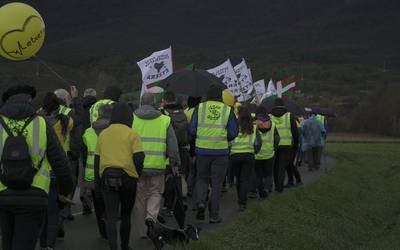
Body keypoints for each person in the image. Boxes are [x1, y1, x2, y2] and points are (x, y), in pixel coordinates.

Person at [0, 85, 73, 250]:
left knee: (7, 242)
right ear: (30, 101)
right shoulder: (41, 123)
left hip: (3, 193)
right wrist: (64, 190)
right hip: (34, 194)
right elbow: (60, 162)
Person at [95, 103, 145, 250]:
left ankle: (113, 247)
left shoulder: (103, 134)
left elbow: (97, 161)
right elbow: (139, 158)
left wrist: (98, 187)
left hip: (107, 177)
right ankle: (125, 246)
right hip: (127, 178)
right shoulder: (132, 133)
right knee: (125, 216)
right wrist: (137, 175)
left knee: (110, 216)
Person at [132, 93, 180, 237]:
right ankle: (151, 217)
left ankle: (142, 231)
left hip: (137, 166)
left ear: (141, 102)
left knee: (140, 197)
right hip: (158, 166)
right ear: (154, 103)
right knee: (155, 193)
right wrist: (175, 163)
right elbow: (172, 145)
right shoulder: (164, 120)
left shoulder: (132, 119)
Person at [190, 84, 238, 223]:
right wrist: (223, 137)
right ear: (220, 96)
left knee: (202, 179)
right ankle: (214, 215)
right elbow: (234, 132)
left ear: (208, 95)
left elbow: (192, 130)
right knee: (217, 184)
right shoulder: (227, 110)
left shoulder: (199, 108)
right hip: (220, 152)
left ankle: (200, 203)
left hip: (202, 151)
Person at [38, 93, 74, 250]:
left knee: (42, 214)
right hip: (59, 169)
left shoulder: (38, 123)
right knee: (53, 213)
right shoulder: (66, 122)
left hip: (42, 170)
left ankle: (42, 242)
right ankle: (49, 246)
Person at [82, 104, 113, 239]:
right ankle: (110, 229)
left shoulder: (88, 132)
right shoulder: (114, 130)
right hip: (109, 172)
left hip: (92, 175)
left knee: (98, 204)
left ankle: (103, 231)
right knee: (111, 203)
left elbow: (85, 149)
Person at [54, 87, 82, 222]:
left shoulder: (41, 112)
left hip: (49, 156)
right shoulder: (69, 112)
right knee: (69, 184)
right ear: (66, 99)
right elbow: (76, 133)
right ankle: (64, 212)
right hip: (67, 155)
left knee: (54, 185)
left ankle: (55, 212)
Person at [230, 106, 261, 211]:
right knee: (245, 180)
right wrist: (254, 151)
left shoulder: (233, 126)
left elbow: (228, 138)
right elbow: (258, 143)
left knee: (238, 179)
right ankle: (242, 202)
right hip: (248, 155)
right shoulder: (253, 127)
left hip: (234, 155)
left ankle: (240, 199)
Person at [271, 98, 299, 193]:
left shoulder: (270, 115)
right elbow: (295, 132)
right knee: (282, 167)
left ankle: (276, 185)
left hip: (274, 145)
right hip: (286, 145)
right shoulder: (289, 115)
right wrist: (295, 145)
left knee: (275, 166)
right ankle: (279, 188)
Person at [254, 106, 280, 196]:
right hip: (269, 154)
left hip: (257, 154)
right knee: (268, 173)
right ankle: (268, 188)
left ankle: (260, 190)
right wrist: (274, 149)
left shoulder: (254, 124)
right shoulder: (272, 124)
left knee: (258, 174)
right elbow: (277, 139)